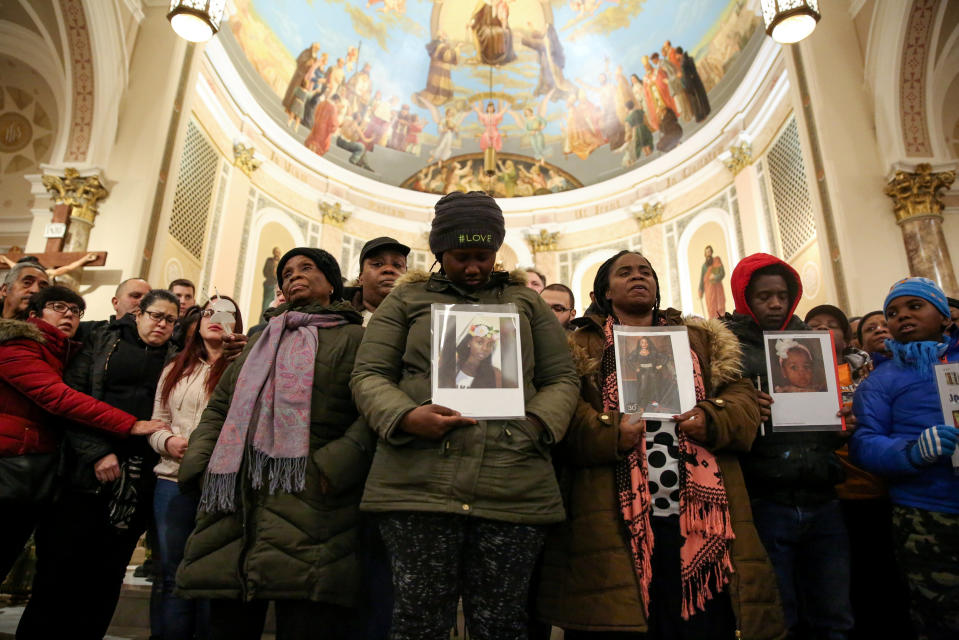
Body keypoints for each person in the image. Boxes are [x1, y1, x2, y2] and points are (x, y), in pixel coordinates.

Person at [351, 191, 578, 639]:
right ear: (439, 252)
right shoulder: (406, 299)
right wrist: (405, 416)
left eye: (484, 256)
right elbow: (369, 373)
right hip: (418, 482)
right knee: (419, 619)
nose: (473, 267)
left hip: (512, 481)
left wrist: (534, 425)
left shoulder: (526, 303)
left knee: (502, 622)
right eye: (460, 257)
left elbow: (563, 378)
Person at [537, 250, 785, 639]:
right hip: (613, 515)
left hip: (698, 515)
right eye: (625, 272)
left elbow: (741, 399)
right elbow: (565, 411)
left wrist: (713, 416)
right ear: (604, 291)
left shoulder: (700, 339)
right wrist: (610, 431)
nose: (639, 277)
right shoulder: (579, 345)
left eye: (646, 271)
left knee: (700, 622)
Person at [176, 248, 369, 640]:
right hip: (235, 498)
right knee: (228, 624)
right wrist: (200, 466)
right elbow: (221, 408)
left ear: (332, 282)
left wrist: (332, 467)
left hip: (312, 499)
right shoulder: (259, 340)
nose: (293, 276)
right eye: (286, 272)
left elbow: (369, 414)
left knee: (305, 622)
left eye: (306, 268)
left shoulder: (356, 338)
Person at [17, 290, 181, 639]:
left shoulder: (176, 359)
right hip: (81, 475)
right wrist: (97, 452)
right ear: (138, 313)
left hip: (136, 483)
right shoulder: (102, 340)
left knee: (106, 579)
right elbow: (72, 400)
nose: (162, 324)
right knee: (56, 575)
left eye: (170, 319)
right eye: (156, 315)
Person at [723, 253, 852, 639]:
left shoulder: (811, 344)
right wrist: (741, 406)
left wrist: (840, 419)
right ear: (745, 297)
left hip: (821, 493)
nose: (776, 304)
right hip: (765, 497)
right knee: (779, 614)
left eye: (782, 295)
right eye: (764, 297)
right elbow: (717, 413)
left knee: (834, 613)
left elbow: (825, 426)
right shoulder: (727, 347)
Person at [851, 277, 959, 640]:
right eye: (893, 312)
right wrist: (913, 452)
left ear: (944, 316)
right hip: (925, 511)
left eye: (916, 306)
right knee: (938, 613)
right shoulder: (881, 380)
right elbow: (865, 442)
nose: (902, 317)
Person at [804, 304, 914, 640]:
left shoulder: (872, 372)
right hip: (828, 491)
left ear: (847, 336)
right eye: (815, 325)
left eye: (832, 325)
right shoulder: (795, 371)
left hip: (873, 484)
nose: (824, 330)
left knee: (881, 572)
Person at [147, 295, 242, 640]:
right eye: (208, 312)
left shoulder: (244, 365)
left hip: (222, 482)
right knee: (171, 574)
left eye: (226, 313)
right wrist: (168, 442)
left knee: (211, 576)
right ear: (197, 322)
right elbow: (158, 421)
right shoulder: (175, 368)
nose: (216, 318)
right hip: (172, 478)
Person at [345, 237, 410, 327]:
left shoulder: (423, 322)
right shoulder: (331, 318)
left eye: (397, 265)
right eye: (378, 264)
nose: (389, 269)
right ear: (361, 278)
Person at [438, 318, 504, 388]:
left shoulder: (496, 375)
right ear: (469, 342)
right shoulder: (451, 365)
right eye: (480, 342)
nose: (485, 348)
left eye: (490, 344)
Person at [699, 245, 726, 319]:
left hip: (718, 289)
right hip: (709, 291)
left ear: (711, 252)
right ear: (705, 254)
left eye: (710, 252)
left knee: (720, 308)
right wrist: (700, 290)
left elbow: (722, 273)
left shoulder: (717, 260)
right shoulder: (704, 266)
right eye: (707, 252)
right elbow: (702, 280)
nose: (708, 253)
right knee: (711, 309)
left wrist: (715, 277)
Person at [262, 247, 281, 316]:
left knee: (273, 306)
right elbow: (265, 272)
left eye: (279, 252)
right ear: (273, 252)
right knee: (265, 305)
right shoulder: (269, 260)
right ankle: (263, 321)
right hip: (269, 284)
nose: (277, 254)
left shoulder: (281, 263)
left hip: (276, 287)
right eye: (276, 252)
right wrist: (272, 275)